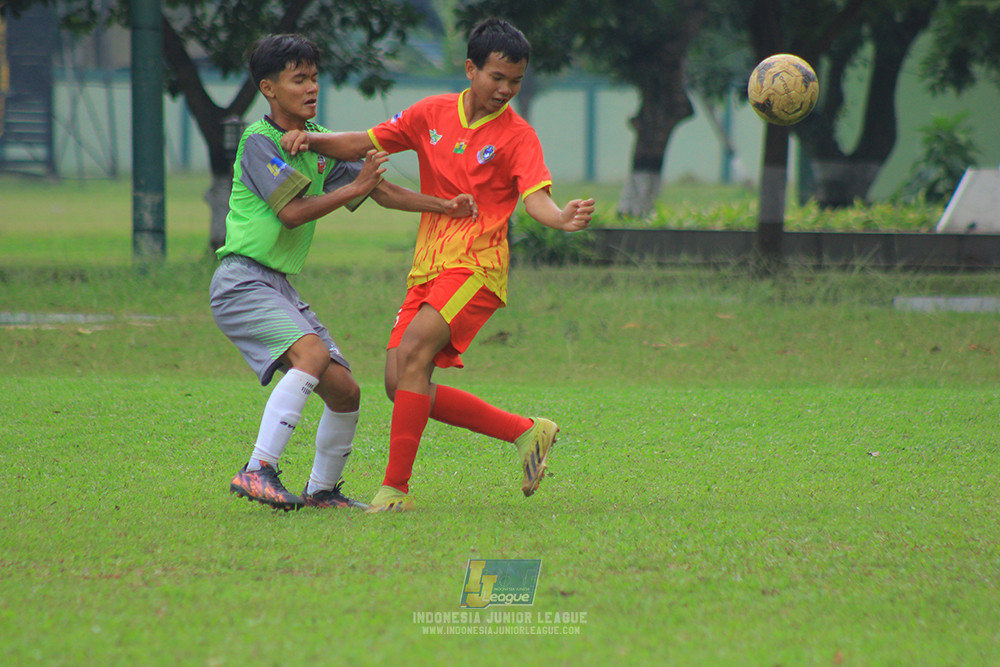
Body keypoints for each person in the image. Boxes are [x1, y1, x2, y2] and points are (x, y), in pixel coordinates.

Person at [281, 18, 595, 512]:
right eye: (497, 77)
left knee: (412, 355)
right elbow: (363, 142)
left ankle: (395, 492)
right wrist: (309, 139)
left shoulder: (518, 136)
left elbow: (538, 201)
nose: (506, 89)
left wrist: (561, 218)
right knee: (399, 381)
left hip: (477, 268)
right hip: (428, 266)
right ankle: (526, 431)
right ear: (471, 69)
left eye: (516, 81)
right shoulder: (430, 114)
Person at [212, 33, 475, 512]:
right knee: (310, 356)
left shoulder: (317, 141)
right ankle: (257, 470)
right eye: (299, 79)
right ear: (269, 89)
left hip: (279, 286)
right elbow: (292, 212)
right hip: (242, 279)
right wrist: (356, 183)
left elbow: (376, 192)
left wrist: (443, 206)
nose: (311, 87)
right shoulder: (259, 141)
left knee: (345, 390)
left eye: (314, 77)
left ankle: (322, 492)